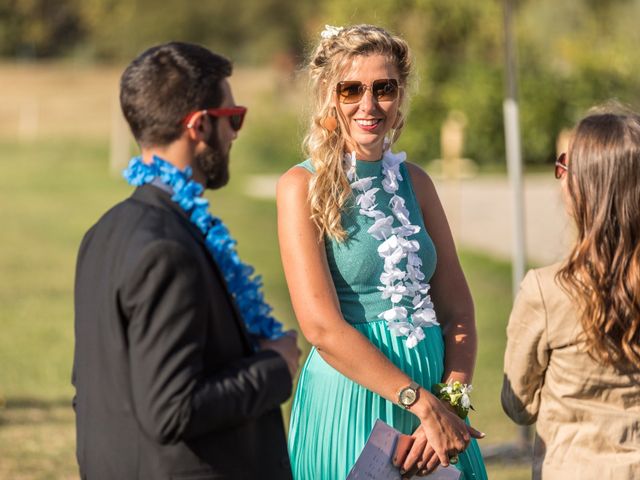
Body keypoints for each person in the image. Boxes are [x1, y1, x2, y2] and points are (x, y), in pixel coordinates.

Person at [73, 42, 301, 480]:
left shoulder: (102, 232)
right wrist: (275, 366)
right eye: (232, 119)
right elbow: (172, 410)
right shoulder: (167, 249)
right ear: (199, 126)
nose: (235, 133)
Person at [277, 25, 487, 479]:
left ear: (400, 95)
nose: (368, 105)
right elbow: (320, 327)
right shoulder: (301, 187)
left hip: (435, 404)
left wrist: (450, 405)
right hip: (352, 401)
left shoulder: (419, 183)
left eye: (383, 88)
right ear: (329, 96)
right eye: (351, 89)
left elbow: (459, 312)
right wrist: (418, 401)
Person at [501, 108, 640, 479]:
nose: (560, 174)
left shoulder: (547, 291)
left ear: (580, 187)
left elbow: (518, 405)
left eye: (565, 165)